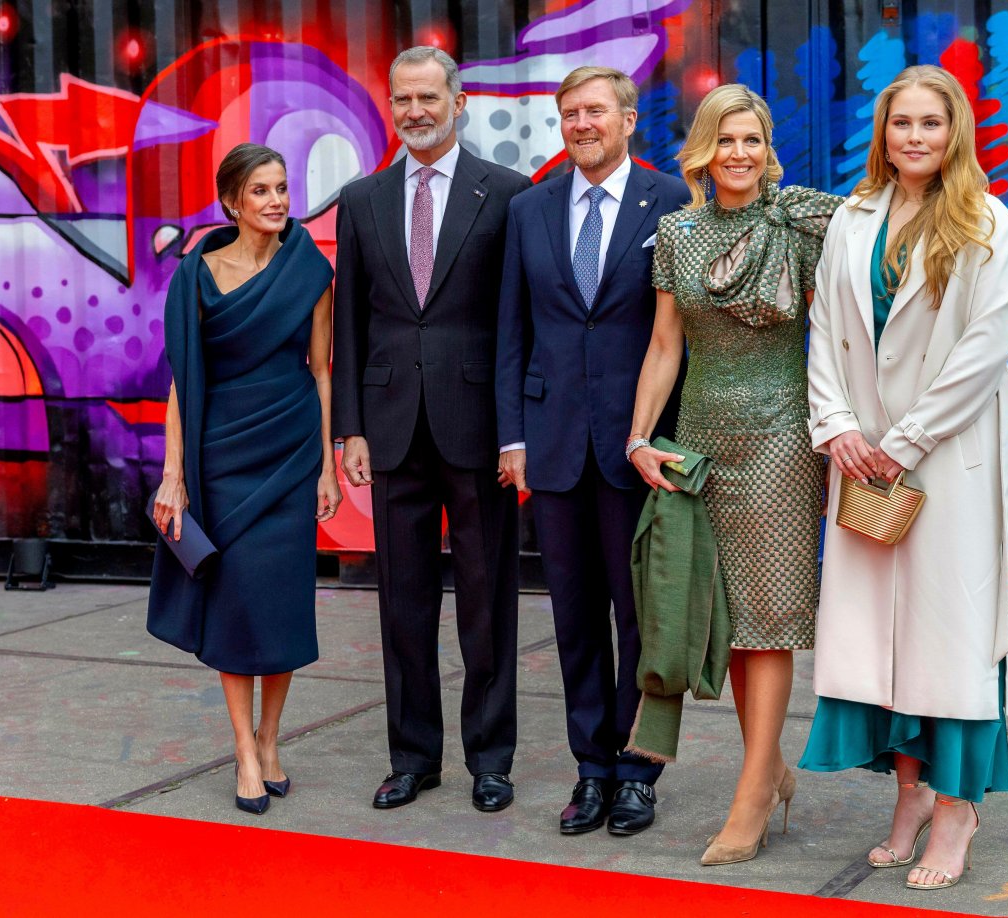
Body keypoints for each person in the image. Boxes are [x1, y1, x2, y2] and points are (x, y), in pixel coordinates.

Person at [798, 64, 1008, 891]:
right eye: (902, 123)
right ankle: (910, 798)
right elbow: (826, 330)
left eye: (932, 122)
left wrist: (905, 440)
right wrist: (836, 426)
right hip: (863, 459)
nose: (916, 136)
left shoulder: (992, 225)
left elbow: (982, 354)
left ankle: (956, 809)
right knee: (880, 645)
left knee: (949, 643)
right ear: (883, 135)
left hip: (947, 462)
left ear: (955, 130)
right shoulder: (851, 218)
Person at [627, 84, 840, 865]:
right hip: (703, 440)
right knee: (732, 621)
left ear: (768, 148)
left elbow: (837, 332)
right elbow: (664, 346)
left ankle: (751, 796)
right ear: (703, 152)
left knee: (769, 618)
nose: (740, 153)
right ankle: (769, 768)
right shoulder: (677, 233)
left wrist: (839, 426)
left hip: (782, 438)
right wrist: (639, 437)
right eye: (725, 140)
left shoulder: (801, 226)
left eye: (752, 139)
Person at [331, 47, 531, 815]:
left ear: (458, 102)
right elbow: (351, 320)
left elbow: (517, 323)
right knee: (402, 604)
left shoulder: (506, 193)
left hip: (477, 426)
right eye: (402, 99)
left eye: (427, 97)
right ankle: (413, 758)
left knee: (488, 601)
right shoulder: (362, 199)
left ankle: (491, 758)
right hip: (389, 428)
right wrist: (350, 428)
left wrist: (516, 431)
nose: (414, 111)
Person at [495, 66, 690, 837]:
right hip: (552, 447)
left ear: (629, 120)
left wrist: (673, 436)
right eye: (570, 113)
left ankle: (638, 773)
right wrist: (513, 436)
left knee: (642, 618)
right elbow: (511, 330)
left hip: (638, 447)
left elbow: (682, 334)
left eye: (596, 111)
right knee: (574, 619)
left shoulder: (671, 200)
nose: (582, 124)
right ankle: (592, 769)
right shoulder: (529, 209)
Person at [147, 142, 339, 815]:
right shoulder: (196, 275)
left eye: (282, 188)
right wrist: (173, 475)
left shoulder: (311, 270)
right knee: (235, 603)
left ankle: (270, 738)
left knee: (280, 603)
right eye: (261, 190)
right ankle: (243, 750)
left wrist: (326, 469)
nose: (277, 201)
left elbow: (322, 371)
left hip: (290, 451)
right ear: (232, 201)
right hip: (221, 455)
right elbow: (182, 383)